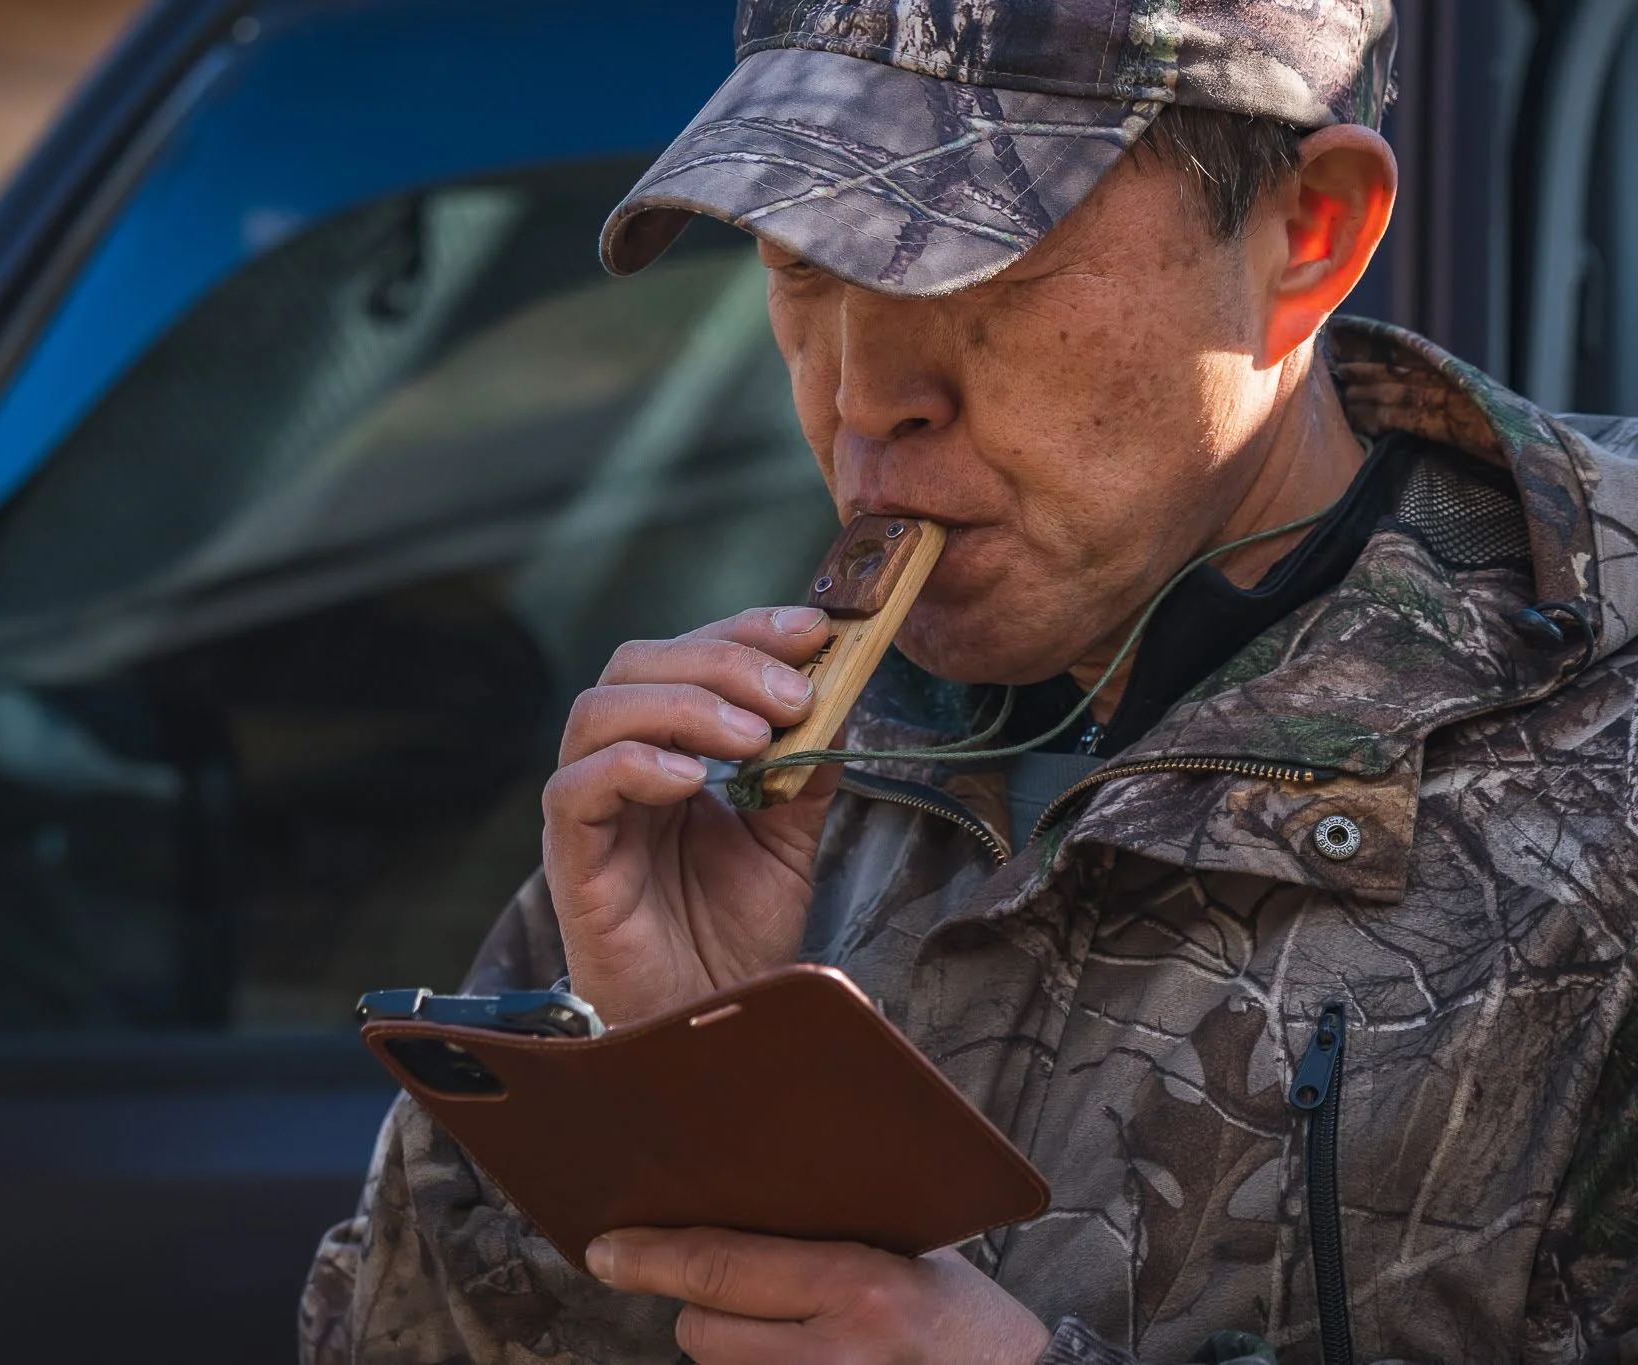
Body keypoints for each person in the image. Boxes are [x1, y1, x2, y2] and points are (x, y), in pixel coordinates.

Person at [300, 2, 1638, 1361]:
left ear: (1310, 234)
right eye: (800, 264)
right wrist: (662, 1098)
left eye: (986, 263)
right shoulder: (731, 776)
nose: (868, 395)